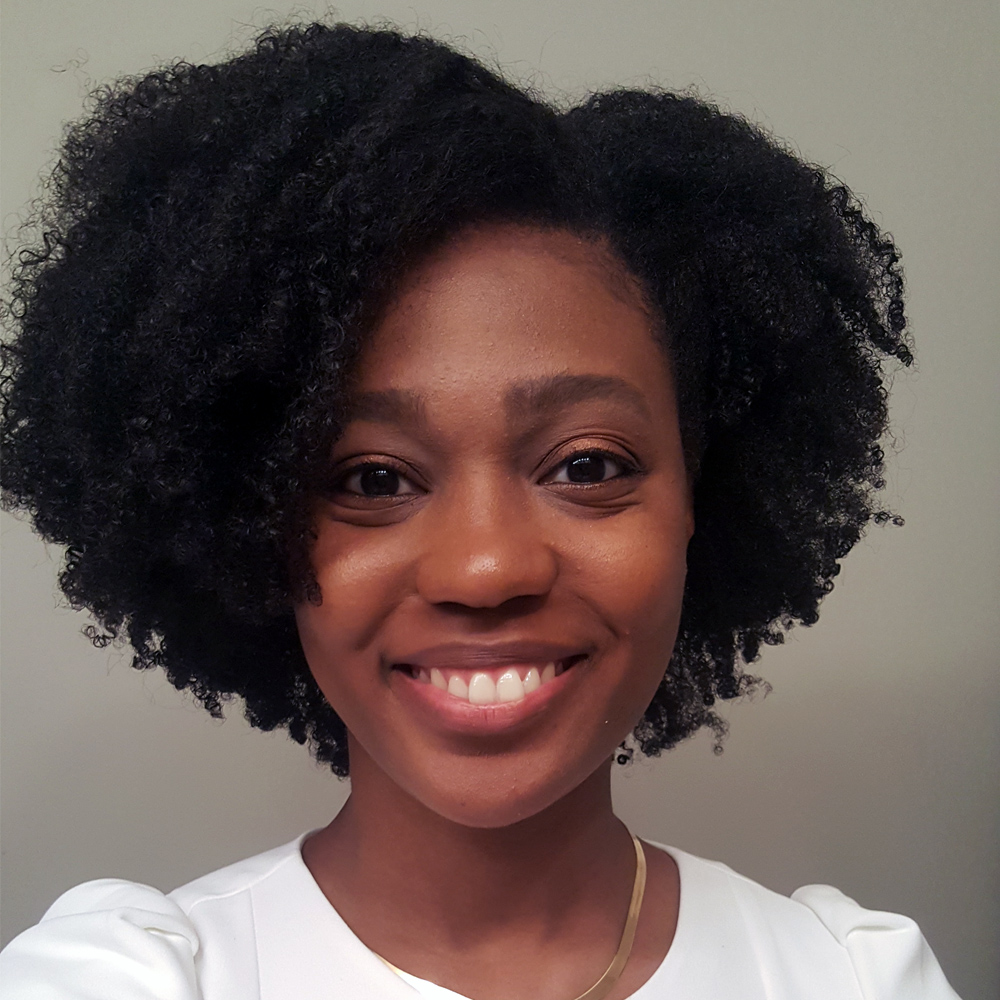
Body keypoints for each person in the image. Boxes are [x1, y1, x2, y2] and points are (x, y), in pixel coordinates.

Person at [0, 20, 961, 1000]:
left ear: (699, 502)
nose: (486, 567)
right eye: (373, 479)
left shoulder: (849, 977)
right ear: (243, 524)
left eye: (586, 465)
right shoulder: (136, 977)